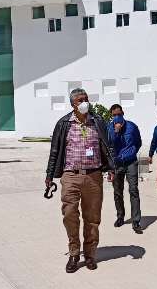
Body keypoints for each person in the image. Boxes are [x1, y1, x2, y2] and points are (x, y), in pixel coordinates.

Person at [45, 88, 115, 273]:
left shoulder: (98, 121)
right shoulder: (63, 124)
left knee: (92, 219)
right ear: (72, 104)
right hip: (71, 175)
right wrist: (49, 175)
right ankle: (74, 252)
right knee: (69, 213)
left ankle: (90, 254)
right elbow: (54, 151)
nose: (84, 102)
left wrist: (112, 168)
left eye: (86, 99)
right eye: (80, 100)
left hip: (94, 176)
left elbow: (107, 146)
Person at [107, 104, 143, 234]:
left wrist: (132, 152)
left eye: (119, 114)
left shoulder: (132, 126)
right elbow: (109, 146)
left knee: (133, 190)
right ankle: (120, 216)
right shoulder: (109, 128)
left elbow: (138, 142)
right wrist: (116, 132)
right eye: (114, 115)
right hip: (116, 164)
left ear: (123, 113)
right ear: (111, 116)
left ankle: (136, 221)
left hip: (130, 162)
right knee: (118, 191)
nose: (117, 117)